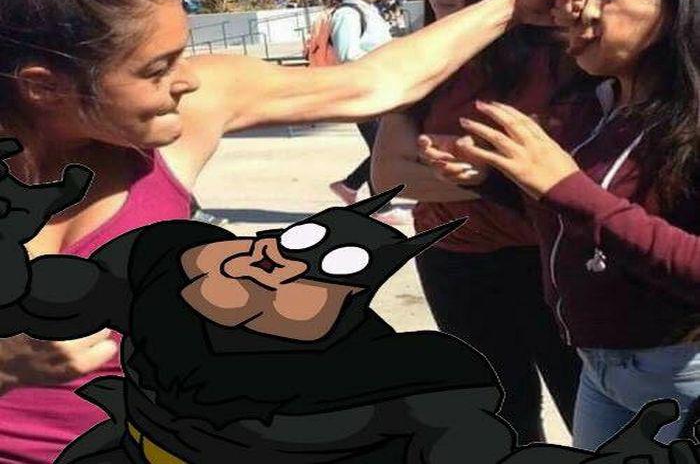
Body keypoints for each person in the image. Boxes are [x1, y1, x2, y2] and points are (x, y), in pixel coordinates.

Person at [0, 0, 594, 461]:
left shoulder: (189, 110)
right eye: (157, 69)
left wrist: (513, 3)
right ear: (44, 88)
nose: (188, 79)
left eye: (183, 53)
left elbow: (372, 82)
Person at [1, 156, 698, 464]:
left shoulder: (407, 391)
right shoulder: (163, 266)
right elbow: (50, 288)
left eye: (330, 272)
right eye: (300, 243)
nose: (283, 262)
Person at [418, 0, 700, 451]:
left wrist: (563, 185)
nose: (584, 11)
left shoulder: (689, 119)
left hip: (680, 372)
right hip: (599, 369)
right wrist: (491, 180)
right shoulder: (594, 106)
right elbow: (572, 219)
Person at [372, 0, 581, 444]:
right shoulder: (423, 64)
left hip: (551, 259)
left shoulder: (566, 58)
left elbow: (581, 172)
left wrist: (463, 170)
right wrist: (503, 174)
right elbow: (389, 176)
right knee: (499, 411)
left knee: (587, 401)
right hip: (456, 260)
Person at [326, 0, 412, 226]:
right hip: (362, 92)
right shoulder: (348, 14)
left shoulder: (369, 10)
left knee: (383, 148)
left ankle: (350, 186)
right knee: (383, 150)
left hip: (379, 89)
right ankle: (378, 206)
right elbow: (347, 54)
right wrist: (384, 60)